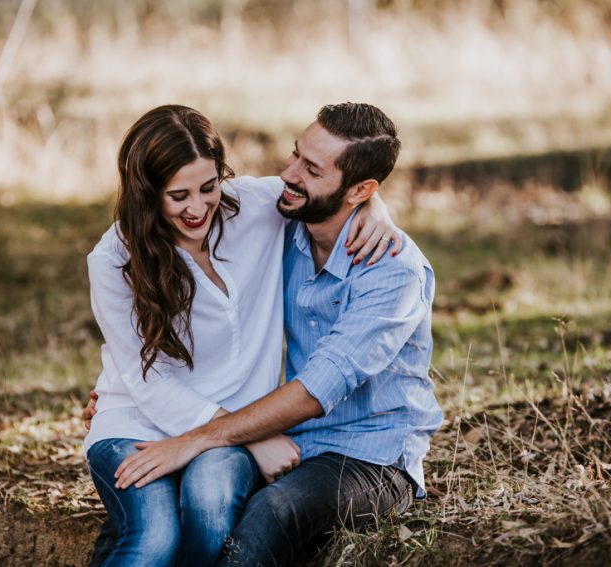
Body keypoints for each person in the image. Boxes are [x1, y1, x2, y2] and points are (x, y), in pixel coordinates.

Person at [108, 102, 444, 566]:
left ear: (359, 189)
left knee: (273, 511)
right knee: (170, 510)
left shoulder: (392, 274)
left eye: (310, 168)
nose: (288, 173)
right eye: (295, 155)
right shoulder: (287, 229)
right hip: (296, 443)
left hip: (372, 459)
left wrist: (200, 436)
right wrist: (128, 385)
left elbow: (313, 392)